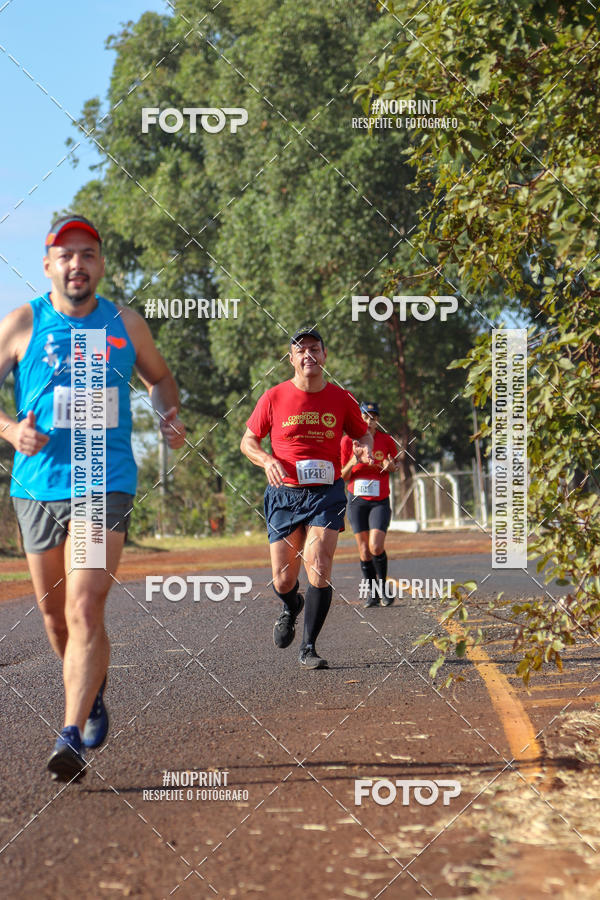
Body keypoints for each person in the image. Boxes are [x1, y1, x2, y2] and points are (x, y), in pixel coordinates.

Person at [0, 214, 186, 781]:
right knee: (55, 619)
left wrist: (167, 414)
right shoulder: (22, 323)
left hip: (103, 482)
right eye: (66, 254)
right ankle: (92, 688)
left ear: (100, 265)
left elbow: (161, 379)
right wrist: (10, 431)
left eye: (87, 254)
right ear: (48, 266)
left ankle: (69, 733)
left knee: (84, 607)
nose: (76, 264)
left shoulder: (125, 323)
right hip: (36, 486)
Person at [240, 327, 373, 669]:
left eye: (314, 348)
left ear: (324, 356)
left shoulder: (342, 398)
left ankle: (309, 647)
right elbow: (248, 442)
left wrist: (364, 448)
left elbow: (363, 434)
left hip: (326, 493)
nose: (308, 354)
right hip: (284, 494)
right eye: (301, 350)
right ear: (292, 359)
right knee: (283, 578)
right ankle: (291, 605)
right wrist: (266, 460)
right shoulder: (273, 397)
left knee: (320, 563)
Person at [341, 402, 399, 607]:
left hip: (379, 501)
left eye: (373, 417)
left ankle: (383, 588)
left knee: (376, 545)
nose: (368, 421)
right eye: (365, 416)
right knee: (364, 550)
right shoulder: (348, 441)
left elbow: (394, 466)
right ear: (359, 418)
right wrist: (354, 461)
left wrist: (389, 465)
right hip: (356, 501)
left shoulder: (386, 440)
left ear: (378, 421)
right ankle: (372, 593)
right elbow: (342, 476)